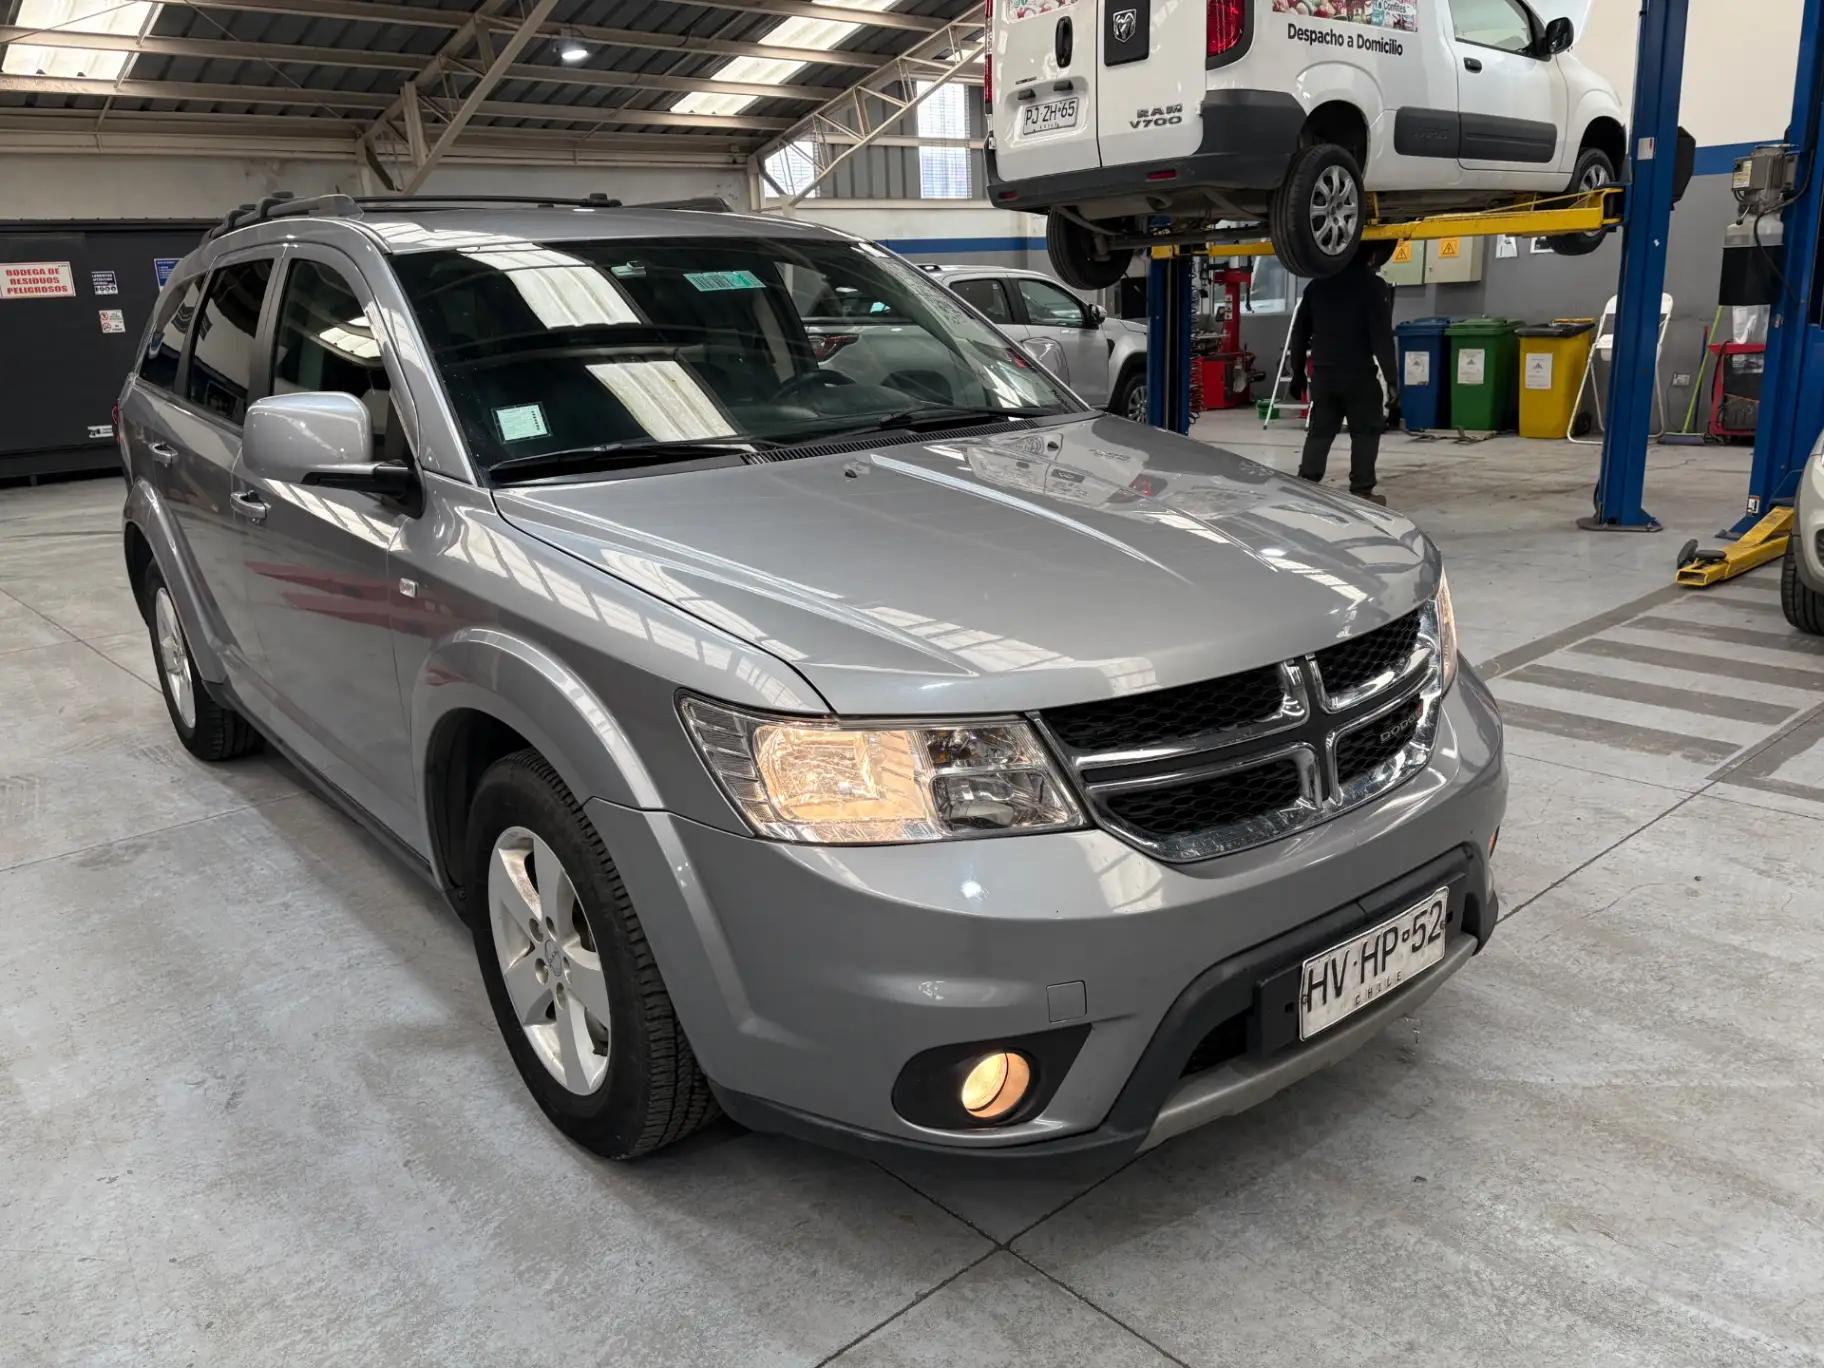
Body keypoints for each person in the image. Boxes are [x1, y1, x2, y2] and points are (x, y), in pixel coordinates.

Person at [1286, 241, 1401, 505]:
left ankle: (1306, 486)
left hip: (1324, 376)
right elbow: (1381, 336)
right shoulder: (1373, 286)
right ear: (1370, 255)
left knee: (1320, 431)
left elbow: (1299, 333)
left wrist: (1297, 373)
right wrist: (1392, 380)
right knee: (1365, 431)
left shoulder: (1317, 286)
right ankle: (1362, 491)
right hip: (1358, 374)